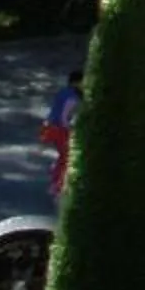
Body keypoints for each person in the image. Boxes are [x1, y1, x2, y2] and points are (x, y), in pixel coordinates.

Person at [39, 65, 83, 199]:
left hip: (50, 127)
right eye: (83, 81)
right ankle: (57, 187)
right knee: (66, 157)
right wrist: (70, 129)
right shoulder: (72, 97)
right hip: (59, 129)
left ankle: (56, 183)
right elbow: (64, 116)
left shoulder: (64, 91)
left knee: (63, 156)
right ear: (76, 82)